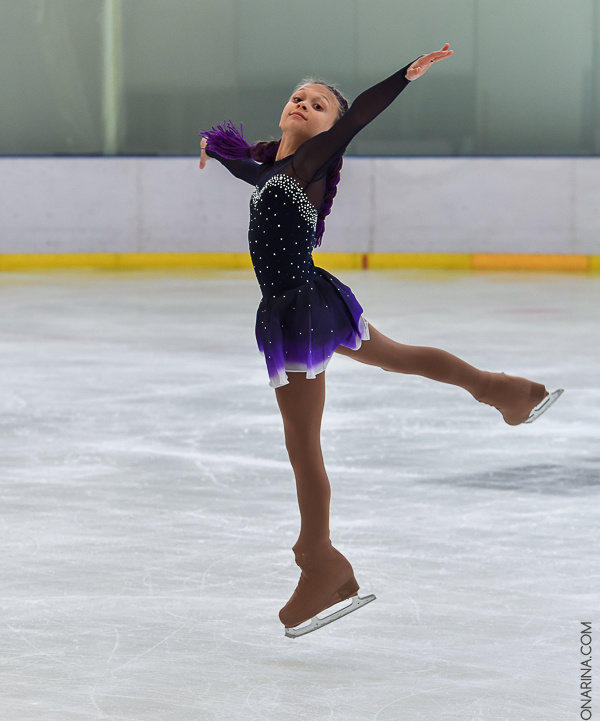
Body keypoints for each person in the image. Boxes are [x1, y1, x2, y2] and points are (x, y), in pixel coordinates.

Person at [198, 45, 562, 638]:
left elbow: (361, 113)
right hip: (308, 301)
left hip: (299, 312)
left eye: (319, 105)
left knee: (303, 441)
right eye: (300, 96)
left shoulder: (310, 163)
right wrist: (215, 149)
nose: (305, 103)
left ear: (329, 130)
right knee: (400, 358)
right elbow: (248, 169)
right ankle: (505, 391)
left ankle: (319, 561)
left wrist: (403, 78)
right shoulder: (272, 172)